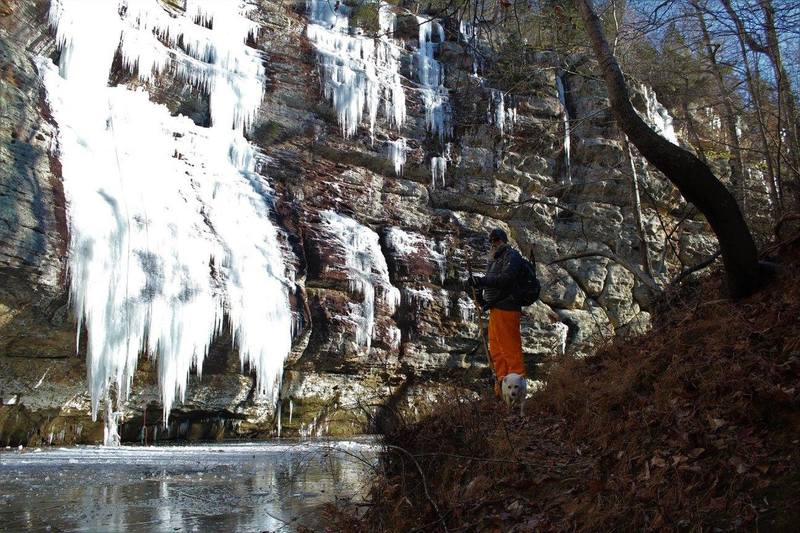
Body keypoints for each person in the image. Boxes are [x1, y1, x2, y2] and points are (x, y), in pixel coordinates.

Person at [469, 228, 525, 395]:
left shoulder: (512, 256)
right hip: (495, 308)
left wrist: (482, 280)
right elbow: (492, 284)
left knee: (510, 350)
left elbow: (506, 279)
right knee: (497, 350)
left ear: (504, 240)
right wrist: (478, 291)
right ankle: (502, 391)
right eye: (492, 240)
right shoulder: (494, 260)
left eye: (497, 239)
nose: (494, 242)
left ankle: (519, 392)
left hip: (508, 307)